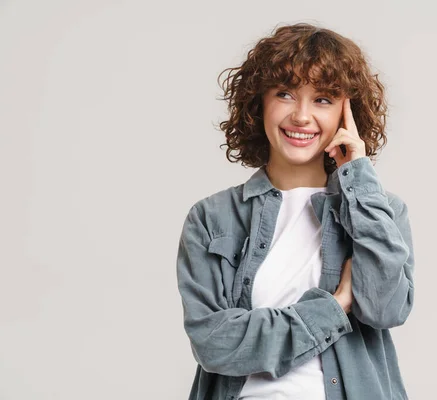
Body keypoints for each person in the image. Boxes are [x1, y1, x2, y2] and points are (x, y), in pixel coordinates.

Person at [176, 22, 416, 400]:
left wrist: (358, 176)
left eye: (322, 99)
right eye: (285, 94)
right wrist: (335, 307)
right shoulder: (213, 218)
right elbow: (214, 345)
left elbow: (387, 310)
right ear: (260, 103)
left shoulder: (378, 209)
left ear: (346, 112)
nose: (302, 116)